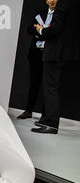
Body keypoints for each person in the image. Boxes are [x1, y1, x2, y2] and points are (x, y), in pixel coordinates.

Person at [31, 0, 78, 134]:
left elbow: (55, 29)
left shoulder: (63, 4)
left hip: (56, 53)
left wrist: (41, 30)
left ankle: (50, 124)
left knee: (50, 89)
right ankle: (48, 121)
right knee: (52, 88)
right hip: (62, 53)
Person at [17, 0, 58, 120]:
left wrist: (41, 31)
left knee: (47, 85)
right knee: (34, 83)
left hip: (49, 54)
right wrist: (42, 32)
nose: (52, 1)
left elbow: (54, 33)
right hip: (36, 53)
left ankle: (45, 115)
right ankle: (28, 110)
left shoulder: (59, 16)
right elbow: (30, 28)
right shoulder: (41, 13)